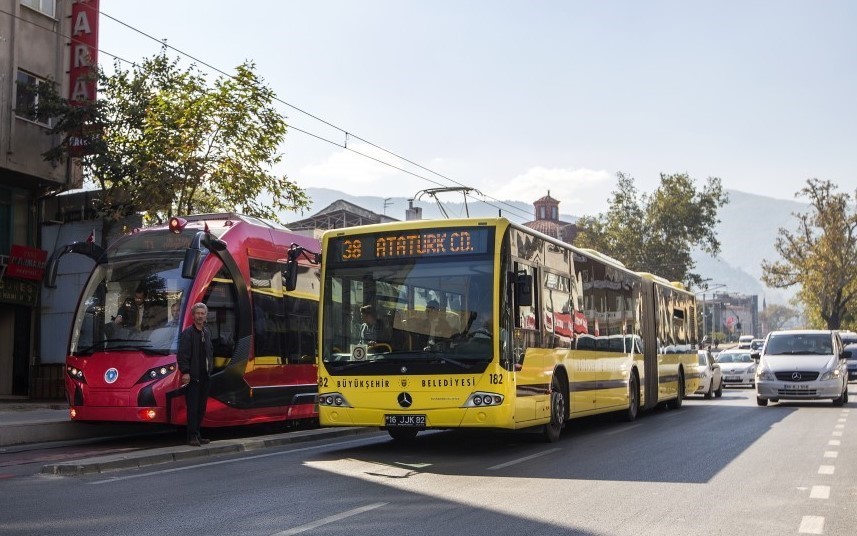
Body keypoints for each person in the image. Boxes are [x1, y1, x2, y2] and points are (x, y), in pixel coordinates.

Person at [177, 302, 213, 447]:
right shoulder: (188, 333)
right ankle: (191, 436)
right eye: (197, 313)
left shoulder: (207, 332)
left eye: (202, 313)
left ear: (205, 316)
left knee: (201, 408)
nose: (200, 316)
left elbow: (210, 352)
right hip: (193, 377)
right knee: (193, 408)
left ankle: (197, 434)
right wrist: (185, 372)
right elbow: (183, 355)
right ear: (193, 316)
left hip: (205, 376)